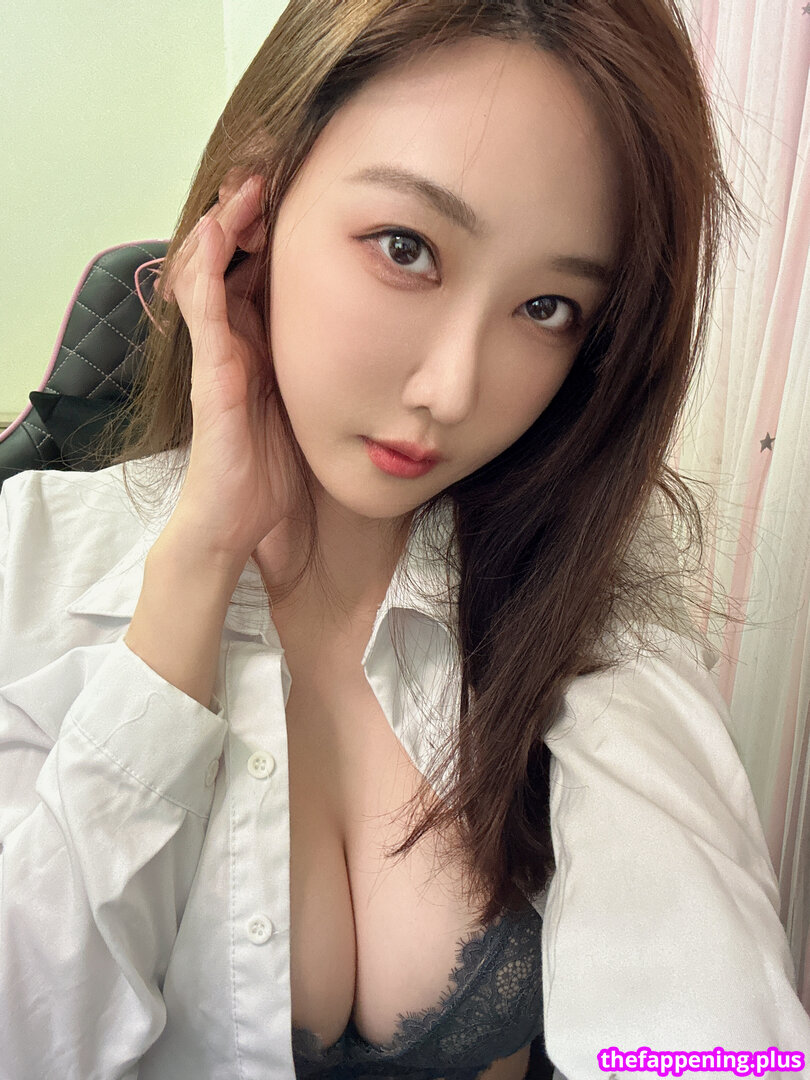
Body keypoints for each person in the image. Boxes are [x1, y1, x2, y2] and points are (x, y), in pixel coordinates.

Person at [1, 1, 808, 1078]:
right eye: (407, 248)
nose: (454, 390)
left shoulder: (590, 628)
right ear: (253, 208)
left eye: (548, 308)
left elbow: (706, 1044)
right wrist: (195, 566)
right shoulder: (27, 566)